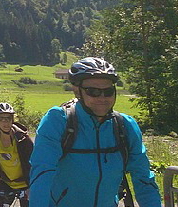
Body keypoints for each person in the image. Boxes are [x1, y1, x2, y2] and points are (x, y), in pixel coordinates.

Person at [29, 57, 161, 207]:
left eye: (108, 91)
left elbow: (144, 179)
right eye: (93, 91)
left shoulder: (125, 126)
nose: (102, 98)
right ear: (77, 91)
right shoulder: (58, 121)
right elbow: (42, 175)